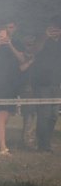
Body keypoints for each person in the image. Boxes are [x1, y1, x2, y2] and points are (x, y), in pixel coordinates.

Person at [0, 20, 28, 155]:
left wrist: (10, 45)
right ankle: (2, 148)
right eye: (5, 28)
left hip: (12, 83)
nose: (8, 31)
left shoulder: (17, 43)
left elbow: (22, 60)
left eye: (11, 28)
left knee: (4, 116)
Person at [29, 18, 61, 152]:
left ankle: (46, 142)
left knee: (54, 114)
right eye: (51, 29)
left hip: (57, 82)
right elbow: (34, 51)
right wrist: (44, 36)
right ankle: (42, 144)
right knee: (44, 114)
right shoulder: (41, 39)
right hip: (42, 83)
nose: (54, 31)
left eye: (56, 29)